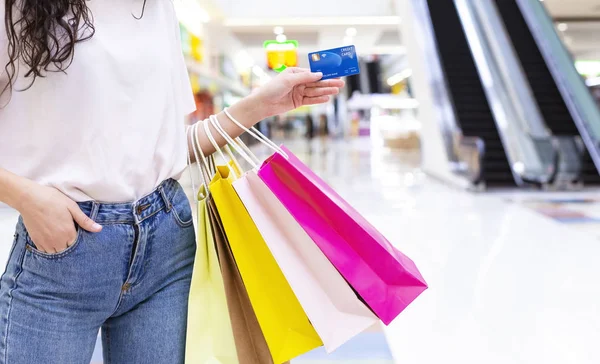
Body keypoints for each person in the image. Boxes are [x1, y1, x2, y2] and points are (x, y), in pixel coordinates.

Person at [0, 1, 343, 363]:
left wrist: (258, 106)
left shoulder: (157, 8)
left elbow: (172, 148)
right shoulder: (19, 9)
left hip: (166, 245)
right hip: (61, 252)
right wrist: (27, 197)